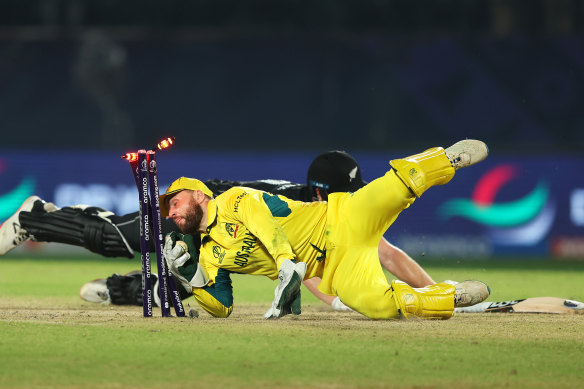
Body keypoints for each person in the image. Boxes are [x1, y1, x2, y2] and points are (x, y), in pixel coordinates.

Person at [0, 151, 433, 311]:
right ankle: (37, 217)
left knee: (190, 287)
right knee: (120, 239)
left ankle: (119, 291)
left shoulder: (329, 208)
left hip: (219, 237)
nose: (353, 201)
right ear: (325, 194)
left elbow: (387, 253)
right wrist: (340, 301)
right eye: (348, 194)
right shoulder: (305, 209)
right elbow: (308, 267)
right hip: (201, 212)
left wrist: (439, 290)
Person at [160, 140, 491, 320]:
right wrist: (191, 274)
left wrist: (285, 263)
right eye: (167, 210)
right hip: (336, 268)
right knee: (379, 307)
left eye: (174, 203)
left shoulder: (234, 198)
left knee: (396, 187)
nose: (171, 212)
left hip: (342, 217)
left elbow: (264, 226)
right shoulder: (207, 255)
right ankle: (450, 296)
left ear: (198, 193)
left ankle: (448, 159)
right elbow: (222, 309)